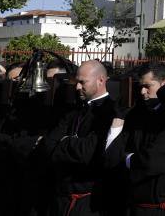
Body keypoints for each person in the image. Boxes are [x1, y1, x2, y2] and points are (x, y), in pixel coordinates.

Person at [104, 63, 165, 215]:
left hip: (160, 207)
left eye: (148, 86)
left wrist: (128, 159)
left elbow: (152, 162)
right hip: (132, 204)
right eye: (140, 86)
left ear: (164, 84)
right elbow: (112, 155)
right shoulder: (136, 114)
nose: (143, 91)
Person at [41, 60, 119, 216]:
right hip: (61, 197)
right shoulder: (74, 110)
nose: (77, 87)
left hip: (88, 201)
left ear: (101, 80)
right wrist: (71, 145)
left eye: (82, 82)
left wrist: (63, 142)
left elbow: (89, 152)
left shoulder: (110, 111)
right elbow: (47, 145)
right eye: (76, 82)